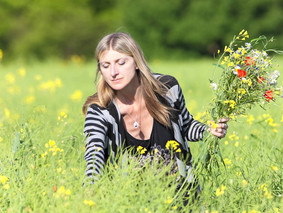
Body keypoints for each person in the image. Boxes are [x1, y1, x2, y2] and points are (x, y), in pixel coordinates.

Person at [82, 32, 229, 190]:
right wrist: (89, 193)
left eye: (121, 63)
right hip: (131, 204)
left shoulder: (167, 88)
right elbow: (93, 158)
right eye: (106, 65)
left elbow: (186, 126)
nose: (113, 72)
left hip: (182, 197)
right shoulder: (99, 110)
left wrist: (208, 131)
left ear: (136, 62)